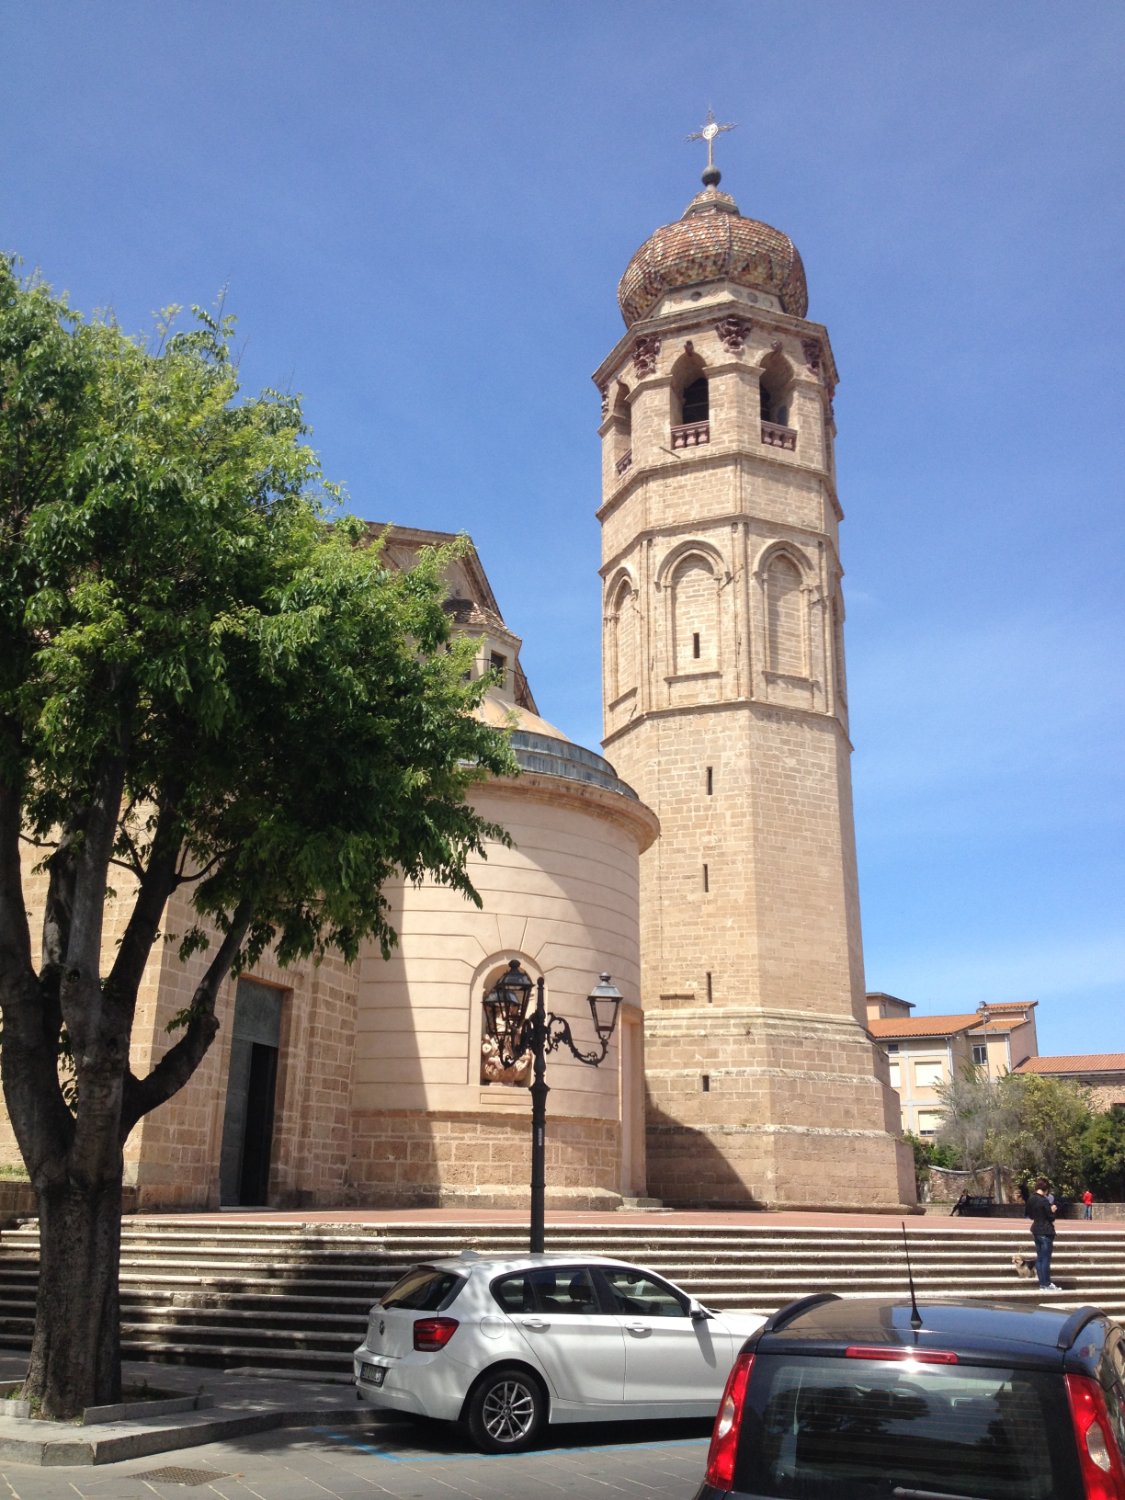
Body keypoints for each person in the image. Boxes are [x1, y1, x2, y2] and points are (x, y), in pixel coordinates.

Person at [1027, 1177, 1060, 1291]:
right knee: (1045, 1258)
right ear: (1045, 1189)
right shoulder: (1044, 1200)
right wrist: (1053, 1210)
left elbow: (1029, 1215)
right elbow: (1050, 1217)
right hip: (1045, 1231)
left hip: (1036, 1229)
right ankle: (1046, 1283)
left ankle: (1042, 1283)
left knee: (1040, 1258)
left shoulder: (1031, 1199)